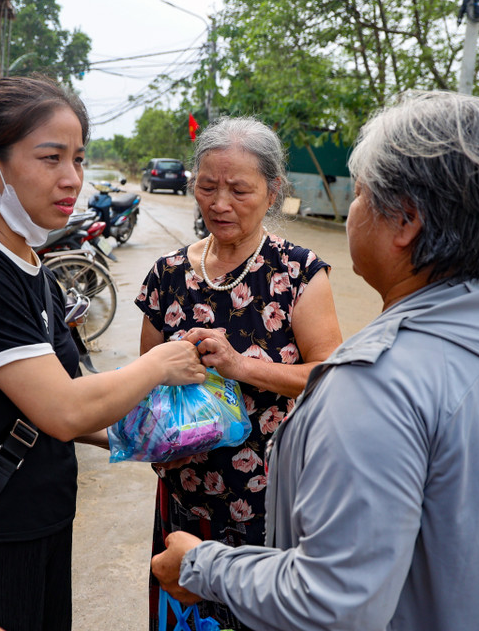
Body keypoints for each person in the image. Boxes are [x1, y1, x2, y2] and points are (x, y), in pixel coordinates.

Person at [152, 91, 479, 630]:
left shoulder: (377, 382)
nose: (353, 210)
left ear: (405, 222)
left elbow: (333, 604)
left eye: (359, 193)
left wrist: (202, 566)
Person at [0, 76, 205, 630]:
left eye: (78, 159)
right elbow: (63, 410)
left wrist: (150, 438)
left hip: (39, 523)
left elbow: (58, 401)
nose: (72, 178)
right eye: (51, 158)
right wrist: (159, 363)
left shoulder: (34, 269)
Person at [136, 116, 343, 630]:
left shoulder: (297, 271)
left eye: (239, 190)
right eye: (207, 187)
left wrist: (238, 366)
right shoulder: (167, 273)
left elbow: (331, 375)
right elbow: (143, 380)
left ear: (273, 191)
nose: (220, 203)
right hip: (184, 495)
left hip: (268, 499)